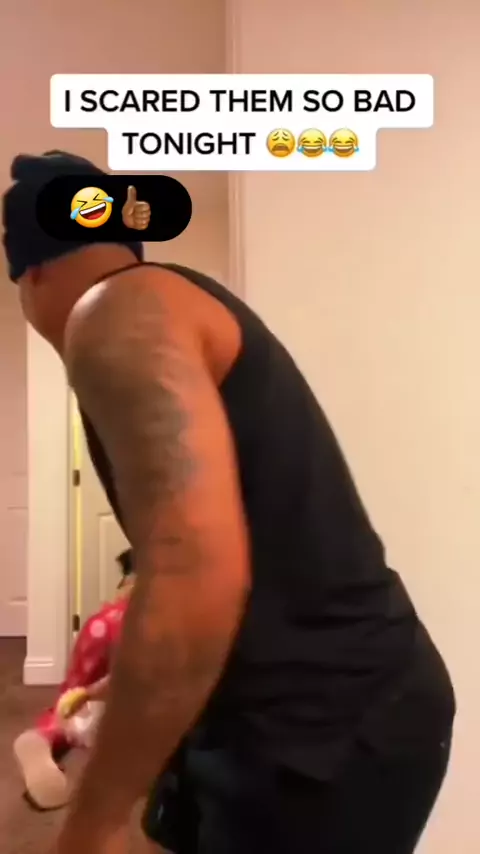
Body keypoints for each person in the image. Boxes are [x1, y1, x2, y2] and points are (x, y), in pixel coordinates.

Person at [2, 151, 455, 854]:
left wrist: (92, 823)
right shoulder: (166, 303)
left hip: (322, 727)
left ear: (30, 273)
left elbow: (194, 581)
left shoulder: (113, 314)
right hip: (308, 703)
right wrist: (134, 680)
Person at [13, 548, 134, 811]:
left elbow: (77, 690)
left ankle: (47, 736)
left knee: (73, 700)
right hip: (157, 722)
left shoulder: (105, 621)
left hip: (99, 720)